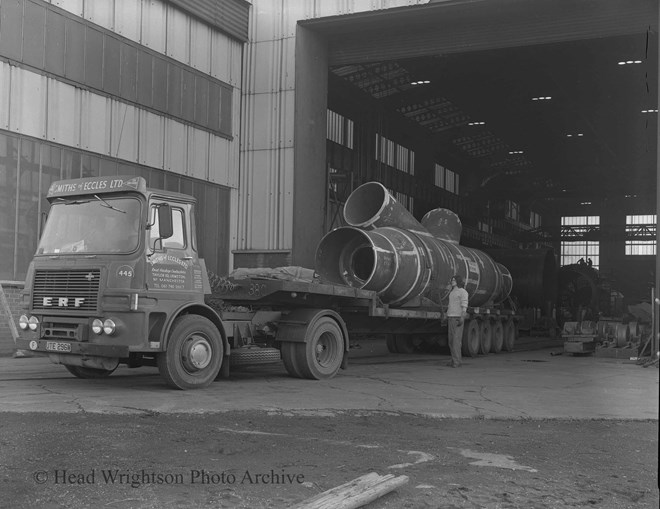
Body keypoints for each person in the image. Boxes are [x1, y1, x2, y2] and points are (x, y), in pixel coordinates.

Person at [447, 274, 469, 368]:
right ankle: (455, 360)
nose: (452, 281)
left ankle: (456, 362)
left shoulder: (462, 292)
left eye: (454, 280)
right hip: (450, 317)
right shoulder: (452, 292)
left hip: (457, 318)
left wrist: (462, 317)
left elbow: (464, 305)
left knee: (456, 341)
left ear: (458, 281)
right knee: (451, 341)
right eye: (452, 280)